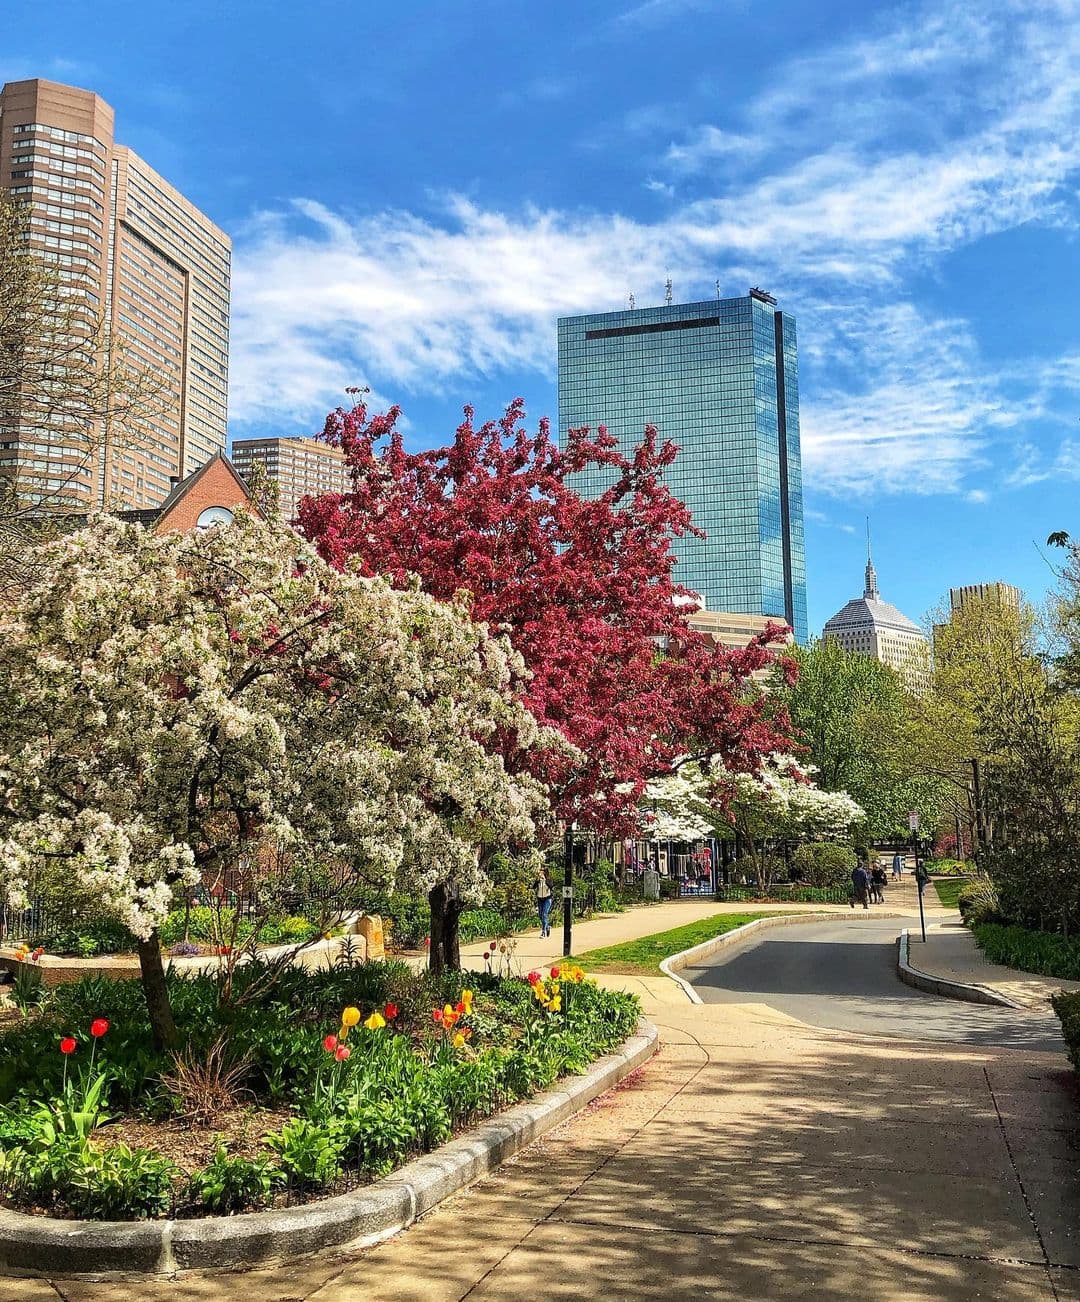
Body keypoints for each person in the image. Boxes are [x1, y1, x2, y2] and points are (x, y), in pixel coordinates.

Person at [535, 867, 554, 937]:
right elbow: (533, 887)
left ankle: (543, 932)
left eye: (542, 872)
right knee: (540, 915)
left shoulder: (549, 879)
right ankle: (547, 927)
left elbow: (551, 886)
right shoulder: (538, 880)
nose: (540, 873)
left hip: (547, 899)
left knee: (544, 914)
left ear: (545, 872)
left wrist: (545, 880)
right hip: (540, 899)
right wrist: (538, 881)